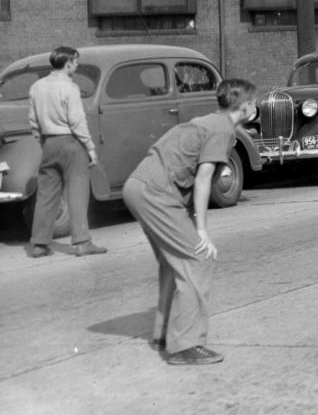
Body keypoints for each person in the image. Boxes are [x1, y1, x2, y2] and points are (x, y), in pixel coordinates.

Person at [122, 78, 257, 366]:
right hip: (157, 192)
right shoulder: (223, 130)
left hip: (138, 185)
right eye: (254, 103)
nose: (255, 107)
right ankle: (185, 346)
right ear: (245, 107)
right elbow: (204, 178)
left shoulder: (209, 121)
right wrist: (202, 232)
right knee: (198, 257)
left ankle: (165, 334)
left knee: (175, 261)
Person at [27, 45, 105, 258]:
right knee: (78, 193)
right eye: (76, 61)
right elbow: (77, 121)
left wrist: (43, 143)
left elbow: (33, 122)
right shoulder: (69, 88)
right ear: (68, 62)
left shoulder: (36, 87)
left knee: (46, 194)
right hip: (71, 143)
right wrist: (90, 147)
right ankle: (82, 242)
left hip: (49, 144)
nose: (77, 65)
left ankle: (39, 244)